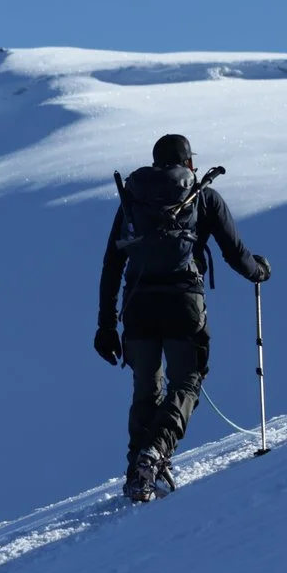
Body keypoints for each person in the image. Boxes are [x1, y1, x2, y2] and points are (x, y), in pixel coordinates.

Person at [95, 134, 270, 503]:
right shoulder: (201, 196)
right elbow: (235, 253)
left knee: (146, 387)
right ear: (188, 162)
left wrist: (106, 324)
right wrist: (258, 272)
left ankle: (136, 473)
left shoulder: (133, 199)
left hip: (138, 304)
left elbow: (113, 263)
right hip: (183, 303)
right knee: (187, 382)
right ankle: (154, 455)